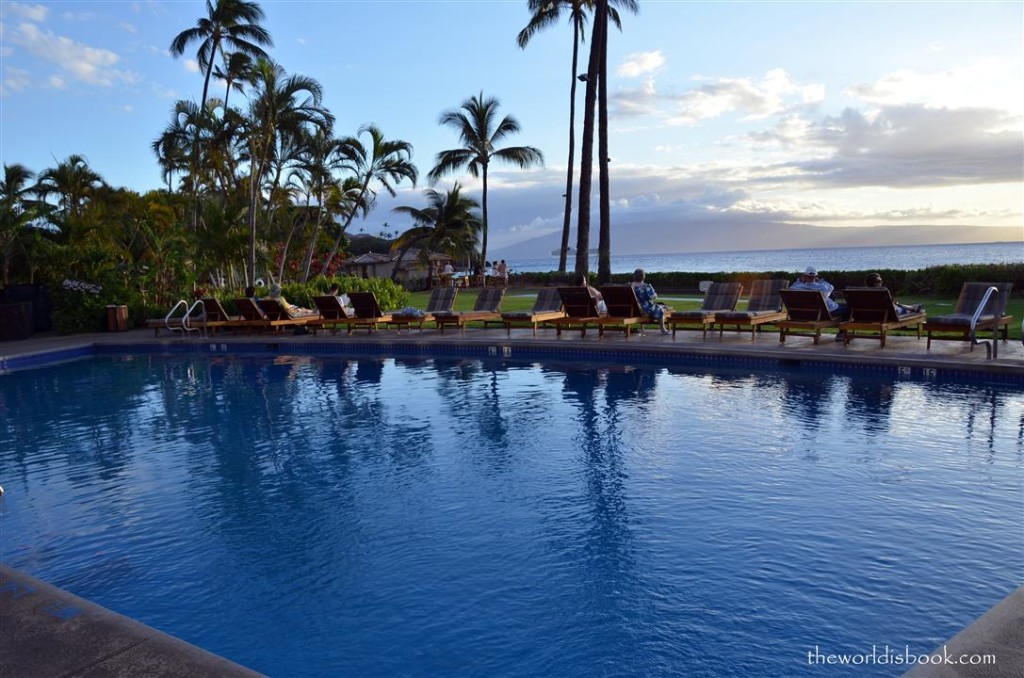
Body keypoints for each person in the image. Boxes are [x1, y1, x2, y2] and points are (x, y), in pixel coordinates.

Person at [790, 266, 849, 340]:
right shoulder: (821, 287)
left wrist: (800, 280)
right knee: (849, 308)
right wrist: (820, 281)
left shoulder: (798, 288)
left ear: (805, 276)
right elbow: (831, 287)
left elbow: (791, 288)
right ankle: (841, 333)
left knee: (842, 306)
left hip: (810, 313)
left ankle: (842, 333)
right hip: (826, 311)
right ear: (816, 276)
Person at [630, 268, 669, 334]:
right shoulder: (646, 286)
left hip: (632, 309)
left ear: (634, 276)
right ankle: (663, 329)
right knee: (660, 309)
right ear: (643, 277)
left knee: (659, 306)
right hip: (645, 308)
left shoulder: (630, 286)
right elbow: (653, 296)